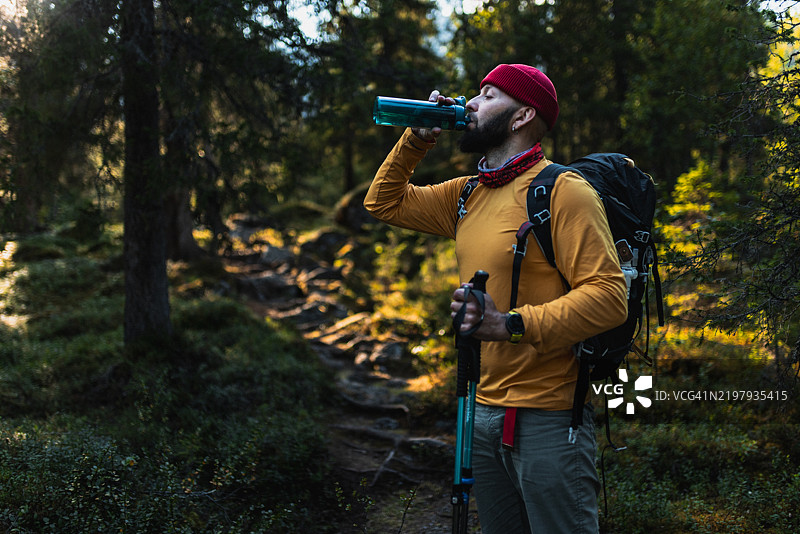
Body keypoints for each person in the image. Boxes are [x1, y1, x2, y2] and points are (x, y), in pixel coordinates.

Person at [364, 63, 628, 534]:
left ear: (523, 114)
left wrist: (508, 324)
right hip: (481, 411)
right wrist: (416, 139)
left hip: (547, 418)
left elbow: (609, 297)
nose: (469, 103)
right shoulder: (467, 195)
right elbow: (384, 202)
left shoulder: (564, 192)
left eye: (487, 95)